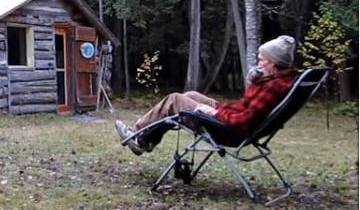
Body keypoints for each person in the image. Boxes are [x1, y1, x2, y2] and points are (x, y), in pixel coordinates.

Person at [115, 35, 299, 155]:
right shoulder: (275, 80)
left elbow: (244, 119)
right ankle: (146, 139)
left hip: (230, 131)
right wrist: (220, 107)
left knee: (175, 99)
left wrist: (215, 113)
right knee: (191, 94)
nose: (258, 61)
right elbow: (245, 107)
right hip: (234, 124)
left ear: (274, 63)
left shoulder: (273, 87)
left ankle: (139, 138)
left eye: (262, 58)